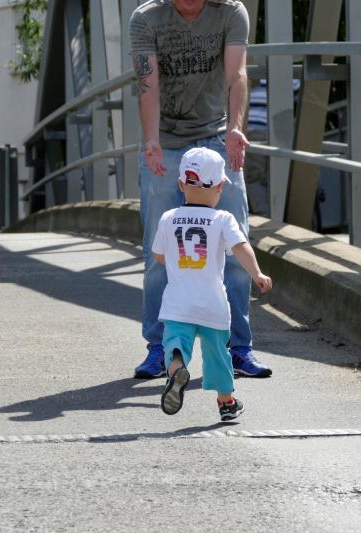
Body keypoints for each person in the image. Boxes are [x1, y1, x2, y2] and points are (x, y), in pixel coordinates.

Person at [129, 0, 272, 379]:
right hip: (164, 142)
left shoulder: (230, 12)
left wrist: (235, 128)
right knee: (158, 253)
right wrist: (151, 139)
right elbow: (147, 84)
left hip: (215, 138)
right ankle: (159, 349)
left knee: (236, 243)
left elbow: (236, 75)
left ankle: (239, 348)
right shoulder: (147, 18)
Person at [152, 147, 272, 421]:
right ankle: (226, 402)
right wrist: (257, 273)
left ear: (181, 184)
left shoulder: (168, 218)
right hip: (213, 305)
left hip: (178, 304)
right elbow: (241, 247)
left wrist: (176, 260)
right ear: (219, 187)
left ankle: (177, 370)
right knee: (218, 354)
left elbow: (158, 255)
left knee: (175, 344)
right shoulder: (222, 219)